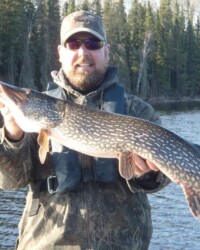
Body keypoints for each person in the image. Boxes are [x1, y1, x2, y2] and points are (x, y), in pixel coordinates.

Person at [0, 11, 170, 250]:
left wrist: (148, 175)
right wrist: (13, 135)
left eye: (93, 43)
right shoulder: (34, 118)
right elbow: (8, 181)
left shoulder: (137, 111)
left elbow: (163, 177)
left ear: (106, 52)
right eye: (73, 44)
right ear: (61, 53)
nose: (83, 52)